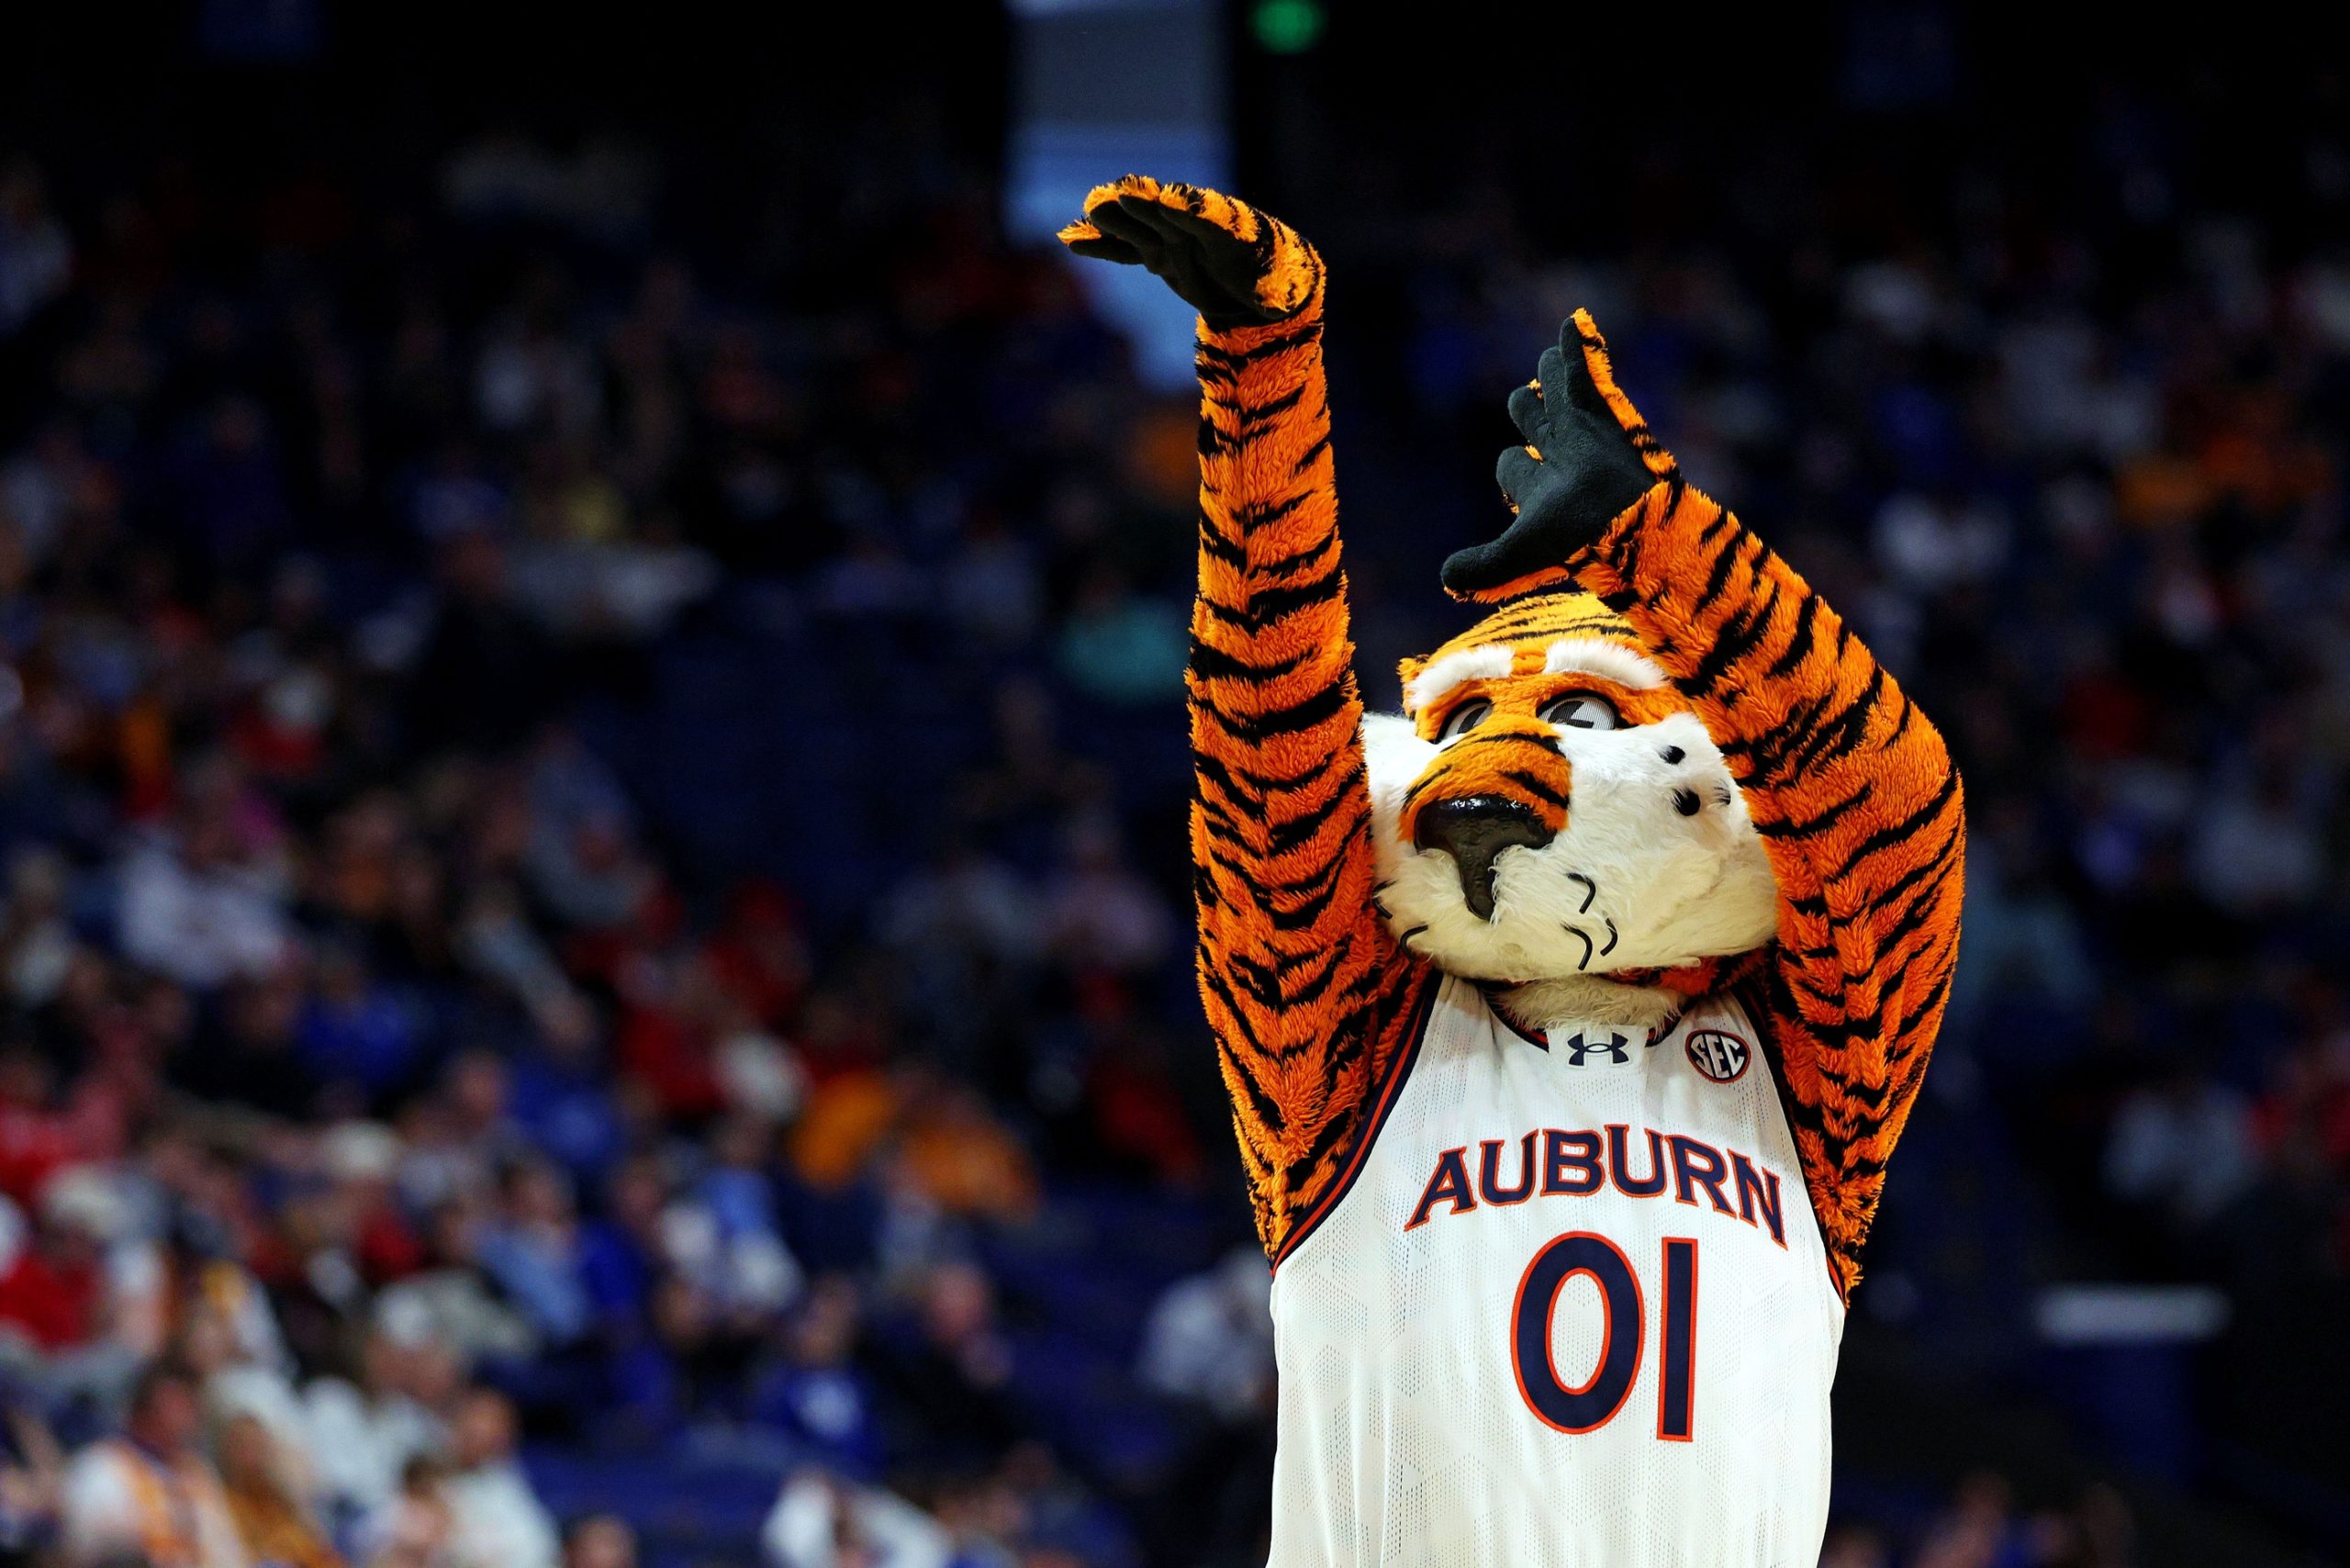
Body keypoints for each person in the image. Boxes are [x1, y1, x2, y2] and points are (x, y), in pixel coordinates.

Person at [60, 1361, 252, 1568]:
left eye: (190, 1403)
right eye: (178, 1404)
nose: (188, 1416)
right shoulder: (101, 1468)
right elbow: (86, 1552)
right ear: (144, 1410)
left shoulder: (197, 1471)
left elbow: (229, 1551)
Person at [438, 1389, 558, 1568]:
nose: (482, 1433)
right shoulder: (424, 1473)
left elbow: (539, 1545)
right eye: (474, 1424)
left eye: (494, 1425)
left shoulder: (504, 1481)